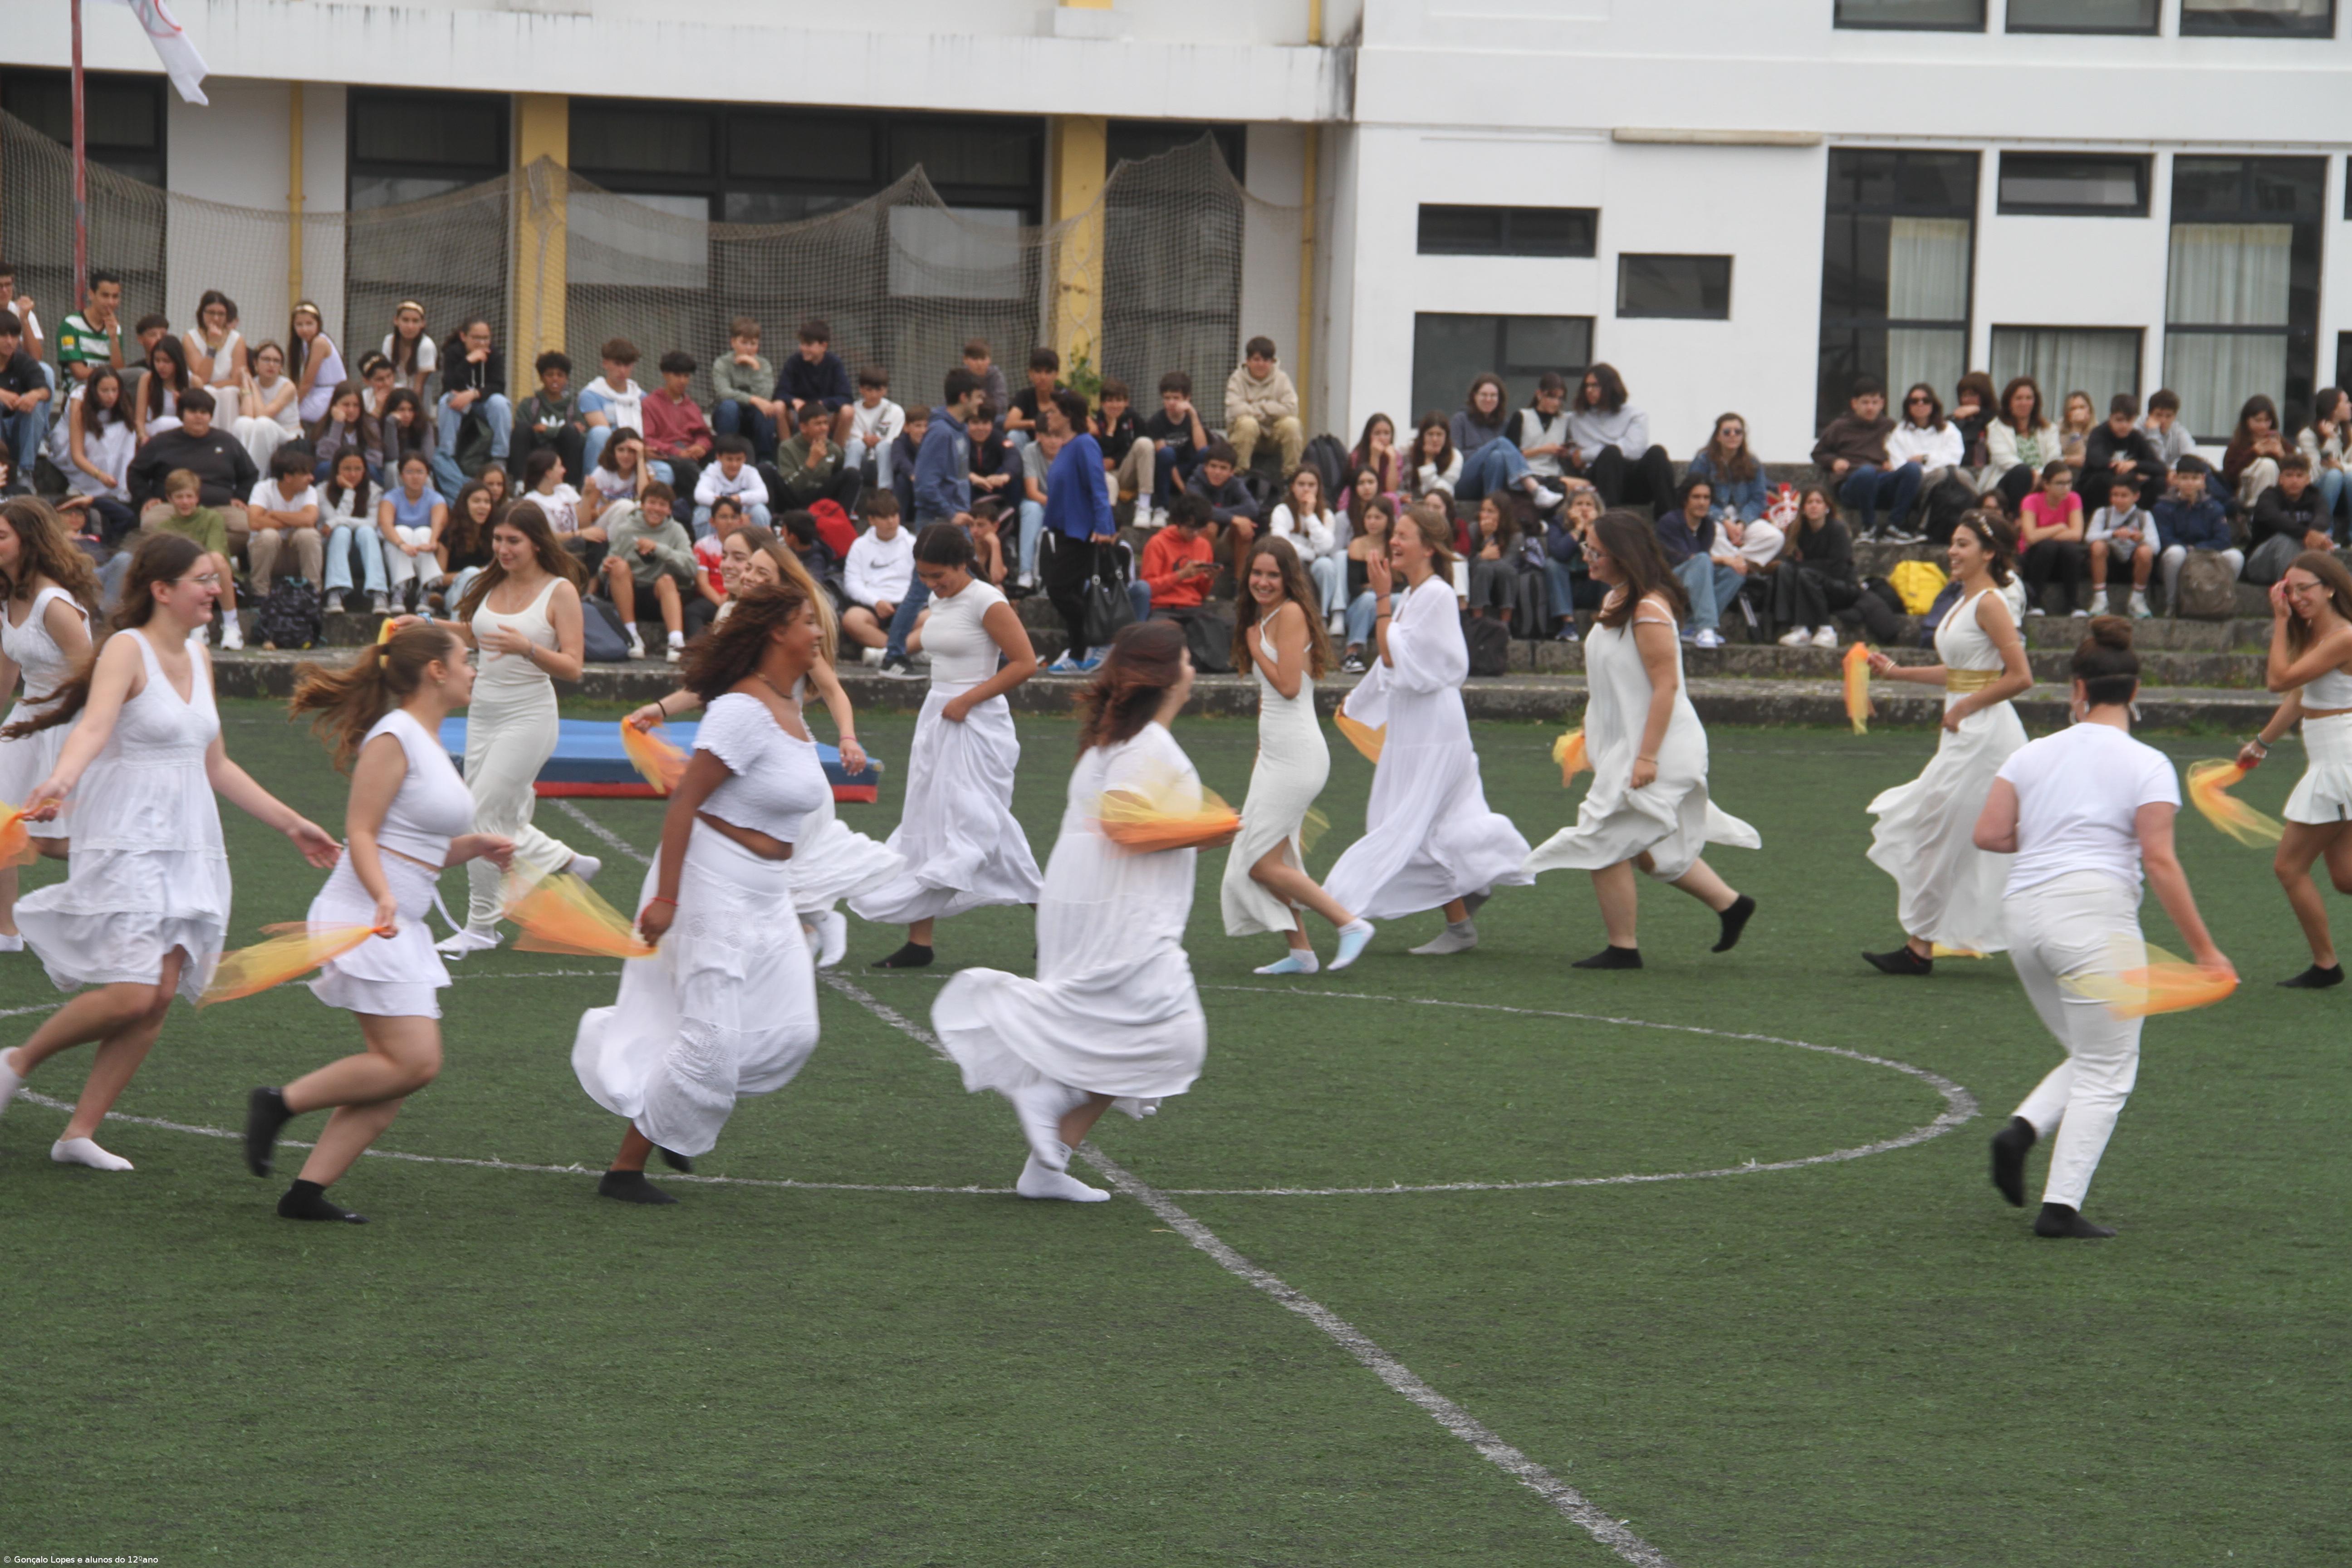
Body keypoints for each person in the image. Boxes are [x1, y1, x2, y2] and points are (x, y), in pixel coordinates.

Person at [0, 534, 340, 1171]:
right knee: (132, 991)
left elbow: (215, 764)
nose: (216, 589)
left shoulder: (200, 655)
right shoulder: (126, 649)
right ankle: (15, 1063)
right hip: (127, 829)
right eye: (204, 579)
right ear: (162, 589)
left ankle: (79, 1133)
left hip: (191, 836)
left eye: (216, 578)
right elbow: (94, 728)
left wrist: (292, 823)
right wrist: (61, 780)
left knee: (158, 994)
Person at [931, 620, 1224, 1203]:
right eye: (1187, 659)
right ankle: (1054, 1091)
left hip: (1091, 898)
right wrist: (1212, 828)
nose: (1194, 669)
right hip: (1118, 907)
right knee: (1173, 1034)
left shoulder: (1118, 742)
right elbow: (1123, 822)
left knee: (1121, 1027)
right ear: (1166, 677)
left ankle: (1047, 1162)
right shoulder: (1145, 747)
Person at [244, 622, 515, 1222]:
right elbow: (361, 831)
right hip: (366, 915)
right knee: (415, 1061)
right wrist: (384, 897)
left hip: (394, 916)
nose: (474, 671)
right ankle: (278, 1103)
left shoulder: (426, 740)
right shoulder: (395, 736)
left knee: (393, 1078)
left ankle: (305, 1195)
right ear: (436, 671)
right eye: (466, 660)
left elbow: (412, 847)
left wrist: (470, 848)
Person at [574, 584, 832, 1205]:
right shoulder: (741, 711)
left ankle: (677, 1104)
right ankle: (625, 1170)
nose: (819, 632)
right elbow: (686, 799)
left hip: (768, 889)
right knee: (711, 1038)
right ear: (777, 633)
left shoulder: (788, 703)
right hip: (712, 881)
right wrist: (667, 898)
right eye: (807, 622)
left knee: (793, 1032)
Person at [1975, 618, 2232, 1239]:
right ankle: (2059, 1207)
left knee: (2090, 1055)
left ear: (2078, 689)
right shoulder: (2148, 763)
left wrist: (2048, 835)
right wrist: (2206, 952)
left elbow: (1989, 834)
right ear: (2135, 691)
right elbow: (2160, 860)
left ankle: (2021, 1132)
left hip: (2022, 919)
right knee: (2110, 1068)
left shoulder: (2031, 753)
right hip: (2092, 918)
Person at [627, 528, 887, 970]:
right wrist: (659, 709)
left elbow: (834, 691)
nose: (742, 572)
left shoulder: (793, 631)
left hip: (783, 761)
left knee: (774, 862)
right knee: (756, 863)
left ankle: (811, 925)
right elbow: (708, 683)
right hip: (751, 754)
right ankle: (800, 933)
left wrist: (847, 736)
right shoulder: (733, 615)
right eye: (739, 563)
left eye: (754, 567)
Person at [1524, 511, 1759, 966]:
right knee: (1644, 845)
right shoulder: (1619, 599)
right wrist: (1595, 742)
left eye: (1595, 550)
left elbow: (1665, 686)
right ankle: (1731, 905)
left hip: (1661, 747)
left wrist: (1646, 756)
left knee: (1603, 835)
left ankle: (1623, 948)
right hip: (1630, 744)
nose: (1586, 557)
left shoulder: (1648, 609)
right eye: (1587, 548)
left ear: (1621, 555)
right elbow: (1615, 686)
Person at [1323, 501, 1531, 955]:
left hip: (1434, 730)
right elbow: (1392, 660)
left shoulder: (1434, 594)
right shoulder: (1417, 595)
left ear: (1429, 547)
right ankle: (1469, 892)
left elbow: (1397, 655)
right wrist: (1357, 702)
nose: (1393, 542)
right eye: (1393, 534)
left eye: (1403, 535)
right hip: (1417, 727)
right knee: (1428, 822)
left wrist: (1380, 597)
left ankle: (1459, 915)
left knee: (1407, 824)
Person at [849, 524, 1043, 967]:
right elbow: (929, 645)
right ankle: (920, 942)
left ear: (962, 564)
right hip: (939, 718)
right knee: (928, 819)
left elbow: (1026, 664)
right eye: (924, 576)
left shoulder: (987, 600)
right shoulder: (941, 600)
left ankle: (1048, 913)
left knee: (978, 824)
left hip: (976, 721)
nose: (932, 585)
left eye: (940, 575)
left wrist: (968, 700)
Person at [1860, 514, 2032, 975]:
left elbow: (2020, 677)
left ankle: (1923, 947)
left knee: (1946, 832)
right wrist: (1898, 673)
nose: (1953, 552)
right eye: (1953, 543)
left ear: (1989, 552)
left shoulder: (1990, 604)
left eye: (1963, 544)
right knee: (1942, 833)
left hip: (1983, 737)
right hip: (1966, 733)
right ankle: (1921, 947)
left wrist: (1964, 707)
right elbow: (1961, 672)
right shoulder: (1963, 600)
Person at [432, 501, 599, 953]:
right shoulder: (493, 580)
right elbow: (475, 634)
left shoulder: (560, 591)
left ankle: (482, 927)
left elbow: (573, 666)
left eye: (513, 541)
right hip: (483, 713)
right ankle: (568, 862)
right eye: (498, 540)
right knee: (497, 816)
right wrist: (427, 627)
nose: (503, 549)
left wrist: (528, 648)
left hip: (530, 716)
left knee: (478, 814)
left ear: (536, 542)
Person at [1223, 537, 1374, 975]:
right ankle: (1301, 953)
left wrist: (1253, 646)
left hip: (1299, 757)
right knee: (1278, 857)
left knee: (1260, 863)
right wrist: (1259, 756)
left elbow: (1289, 687)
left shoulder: (1288, 615)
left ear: (1289, 579)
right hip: (1275, 755)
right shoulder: (1263, 616)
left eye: (1273, 574)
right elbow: (1269, 699)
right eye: (1257, 573)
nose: (1264, 582)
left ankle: (1349, 924)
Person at [2237, 554, 2352, 988]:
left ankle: (2326, 966)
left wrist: (2280, 621)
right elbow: (2302, 695)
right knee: (2345, 878)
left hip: (2341, 761)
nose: (2296, 597)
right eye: (2290, 589)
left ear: (2330, 589)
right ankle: (2326, 966)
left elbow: (2278, 681)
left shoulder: (2343, 637)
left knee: (2289, 867)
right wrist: (2262, 744)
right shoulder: (2323, 637)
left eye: (2305, 588)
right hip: (2334, 758)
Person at [0, 500, 98, 946]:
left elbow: (95, 680)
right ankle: (7, 931)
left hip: (69, 722)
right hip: (28, 720)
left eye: (2, 536)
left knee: (52, 841)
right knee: (3, 825)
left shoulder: (54, 604)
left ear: (28, 542)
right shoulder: (7, 597)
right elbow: (7, 674)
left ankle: (127, 864)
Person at [877, 369, 983, 677]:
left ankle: (976, 651)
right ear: (964, 397)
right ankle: (893, 657)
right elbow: (925, 485)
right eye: (978, 396)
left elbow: (949, 478)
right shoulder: (942, 432)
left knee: (969, 586)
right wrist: (951, 513)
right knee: (921, 589)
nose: (981, 402)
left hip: (950, 521)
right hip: (940, 523)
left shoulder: (955, 431)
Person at [1038, 387, 1137, 674]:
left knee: (1059, 589)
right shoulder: (1070, 446)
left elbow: (1099, 487)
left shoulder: (1084, 444)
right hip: (1066, 530)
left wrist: (1105, 527)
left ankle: (1098, 644)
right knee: (1065, 589)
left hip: (1082, 533)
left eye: (1054, 411)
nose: (1049, 416)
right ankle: (1080, 652)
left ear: (1068, 415)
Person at [1813, 375, 1918, 542]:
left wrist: (1895, 462)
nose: (1870, 408)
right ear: (1855, 404)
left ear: (1882, 404)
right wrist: (1834, 461)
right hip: (1853, 484)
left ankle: (1895, 525)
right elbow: (1818, 453)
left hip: (1882, 481)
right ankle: (1869, 527)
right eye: (1865, 402)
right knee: (1867, 472)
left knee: (1913, 469)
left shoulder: (1890, 426)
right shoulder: (1840, 427)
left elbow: (1904, 452)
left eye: (1875, 403)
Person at [148, 469, 243, 649]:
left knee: (215, 560)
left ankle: (232, 625)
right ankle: (194, 624)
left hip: (216, 579)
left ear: (197, 497)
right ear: (170, 498)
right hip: (183, 582)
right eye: (179, 497)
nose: (185, 502)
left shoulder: (212, 518)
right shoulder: (165, 527)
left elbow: (216, 551)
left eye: (189, 496)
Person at [600, 481, 694, 663]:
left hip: (659, 597)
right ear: (642, 505)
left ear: (669, 510)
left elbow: (691, 567)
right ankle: (631, 636)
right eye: (652, 503)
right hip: (628, 594)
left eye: (663, 505)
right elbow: (606, 570)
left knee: (667, 580)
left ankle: (676, 641)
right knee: (619, 567)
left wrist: (660, 549)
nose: (656, 509)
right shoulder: (626, 529)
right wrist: (607, 566)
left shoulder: (676, 531)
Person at [1564, 363, 1676, 513]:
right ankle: (1610, 520)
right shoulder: (1575, 419)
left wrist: (1586, 454)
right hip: (1600, 481)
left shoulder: (1635, 415)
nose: (1589, 391)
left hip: (1632, 481)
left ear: (1610, 387)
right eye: (1587, 386)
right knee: (1610, 454)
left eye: (1596, 386)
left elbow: (1634, 450)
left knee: (1657, 452)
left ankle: (1670, 520)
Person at [1450, 374, 1565, 510]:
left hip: (1491, 480)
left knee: (1497, 457)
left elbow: (1506, 459)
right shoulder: (1460, 420)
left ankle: (1492, 509)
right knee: (1500, 443)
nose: (1488, 399)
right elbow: (1454, 456)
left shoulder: (1504, 424)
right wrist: (1485, 452)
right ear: (1474, 396)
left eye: (1493, 396)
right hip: (1465, 481)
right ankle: (1535, 489)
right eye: (1484, 395)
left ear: (1499, 399)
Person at [1657, 476, 1740, 649]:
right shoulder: (1670, 522)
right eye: (1696, 497)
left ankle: (1692, 627)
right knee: (1703, 560)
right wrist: (1724, 559)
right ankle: (1706, 628)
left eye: (1706, 498)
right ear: (1685, 499)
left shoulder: (1708, 526)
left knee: (1735, 574)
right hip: (1668, 583)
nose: (1702, 503)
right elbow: (1687, 558)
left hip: (1694, 581)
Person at [432, 318, 512, 495]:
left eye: (486, 338)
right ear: (463, 336)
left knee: (501, 403)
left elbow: (498, 386)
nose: (482, 343)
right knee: (447, 401)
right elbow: (449, 384)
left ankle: (499, 457)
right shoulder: (453, 353)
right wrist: (468, 362)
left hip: (483, 404)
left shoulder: (495, 354)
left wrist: (474, 394)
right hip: (462, 406)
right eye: (476, 338)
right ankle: (447, 454)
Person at [1268, 464, 1348, 628]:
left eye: (1311, 485)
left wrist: (1310, 515)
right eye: (1301, 484)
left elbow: (1326, 547)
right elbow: (1281, 544)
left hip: (1316, 567)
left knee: (1326, 565)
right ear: (1293, 487)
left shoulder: (1326, 515)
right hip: (1290, 564)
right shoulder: (1282, 511)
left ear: (1319, 488)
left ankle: (1322, 616)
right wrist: (1311, 554)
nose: (1306, 490)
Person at [64, 364, 137, 545]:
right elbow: (77, 454)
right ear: (94, 390)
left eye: (115, 390)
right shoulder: (80, 404)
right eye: (105, 391)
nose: (111, 396)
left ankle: (122, 482)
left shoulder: (123, 403)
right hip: (87, 461)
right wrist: (100, 475)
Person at [2154, 457, 2240, 608]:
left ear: (2203, 480)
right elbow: (2164, 539)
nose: (2189, 483)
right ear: (2176, 479)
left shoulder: (2214, 507)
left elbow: (2223, 540)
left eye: (2194, 478)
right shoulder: (2163, 507)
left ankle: (2221, 601)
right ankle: (2171, 604)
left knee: (2235, 557)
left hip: (2205, 558)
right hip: (2177, 562)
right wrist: (2187, 551)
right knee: (2175, 553)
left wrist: (2197, 550)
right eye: (2185, 478)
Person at [841, 490, 911, 658]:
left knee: (933, 618)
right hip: (873, 605)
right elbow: (852, 583)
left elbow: (922, 581)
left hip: (908, 605)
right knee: (852, 620)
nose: (892, 521)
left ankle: (888, 653)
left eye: (895, 515)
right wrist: (876, 601)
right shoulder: (859, 546)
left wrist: (909, 603)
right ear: (871, 520)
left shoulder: (913, 543)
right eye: (885, 517)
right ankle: (900, 652)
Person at [247, 445, 327, 593]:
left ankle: (312, 592)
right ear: (288, 477)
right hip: (269, 556)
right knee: (269, 535)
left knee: (309, 534)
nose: (312, 478)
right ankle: (260, 592)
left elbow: (309, 520)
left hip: (296, 555)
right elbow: (255, 522)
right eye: (306, 474)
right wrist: (295, 521)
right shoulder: (263, 488)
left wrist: (274, 514)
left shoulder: (310, 492)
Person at [374, 452, 447, 614]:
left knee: (424, 532)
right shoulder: (391, 497)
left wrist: (432, 542)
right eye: (410, 472)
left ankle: (427, 588)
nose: (415, 477)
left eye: (420, 472)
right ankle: (400, 588)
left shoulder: (435, 498)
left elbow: (439, 522)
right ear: (401, 475)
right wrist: (403, 544)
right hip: (398, 547)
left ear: (427, 474)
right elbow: (386, 525)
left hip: (423, 548)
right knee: (402, 530)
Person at [2016, 460, 2089, 617]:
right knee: (2047, 547)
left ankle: (2072, 604)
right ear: (2046, 485)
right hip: (2035, 559)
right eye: (2060, 483)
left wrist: (2044, 533)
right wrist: (2059, 527)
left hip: (2061, 559)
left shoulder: (2074, 498)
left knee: (2069, 549)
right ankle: (2034, 602)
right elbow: (2030, 537)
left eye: (2069, 483)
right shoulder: (2031, 501)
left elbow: (2076, 534)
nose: (2066, 488)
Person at [2245, 456, 2331, 586]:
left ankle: (2325, 592)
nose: (2294, 481)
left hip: (2300, 556)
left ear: (2308, 480)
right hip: (2260, 563)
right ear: (2281, 479)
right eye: (2289, 475)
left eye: (2299, 476)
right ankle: (2290, 592)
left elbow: (2324, 517)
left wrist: (2315, 536)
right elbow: (2275, 519)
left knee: (2322, 542)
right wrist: (2307, 534)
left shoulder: (2315, 496)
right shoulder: (2269, 496)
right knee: (2284, 540)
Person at [1225, 336, 1304, 473]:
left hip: (1274, 436)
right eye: (1256, 360)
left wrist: (1262, 407)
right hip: (1244, 434)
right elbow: (1234, 410)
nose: (1261, 364)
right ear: (1248, 361)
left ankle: (1291, 476)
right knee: (1248, 424)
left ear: (1273, 362)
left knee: (1292, 424)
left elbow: (1292, 409)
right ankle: (1239, 474)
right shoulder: (1236, 379)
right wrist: (1268, 410)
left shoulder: (1282, 379)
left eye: (1266, 360)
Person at [1186, 441, 1261, 586]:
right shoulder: (1194, 483)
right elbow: (1202, 510)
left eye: (1223, 468)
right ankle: (1202, 581)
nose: (1217, 472)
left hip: (1225, 544)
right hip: (1194, 545)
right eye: (1213, 466)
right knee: (1210, 525)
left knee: (1245, 527)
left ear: (1232, 472)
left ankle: (1239, 584)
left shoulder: (1235, 483)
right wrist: (1233, 518)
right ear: (1206, 467)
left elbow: (1253, 508)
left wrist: (1236, 521)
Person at [640, 350, 711, 499]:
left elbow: (703, 434)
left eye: (686, 376)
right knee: (686, 466)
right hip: (667, 455)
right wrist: (676, 452)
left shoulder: (692, 406)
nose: (683, 381)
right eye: (678, 376)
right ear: (666, 375)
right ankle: (709, 499)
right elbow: (649, 439)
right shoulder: (650, 404)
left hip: (691, 452)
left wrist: (701, 446)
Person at [710, 316, 782, 462]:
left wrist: (755, 369)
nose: (749, 348)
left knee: (767, 410)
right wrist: (754, 399)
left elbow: (766, 397)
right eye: (744, 343)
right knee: (730, 406)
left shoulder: (764, 365)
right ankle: (724, 456)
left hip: (754, 417)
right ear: (733, 342)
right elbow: (724, 393)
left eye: (753, 344)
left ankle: (766, 462)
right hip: (728, 416)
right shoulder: (722, 364)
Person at [1986, 376, 2062, 514]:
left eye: (2029, 398)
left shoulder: (2049, 428)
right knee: (2022, 472)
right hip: (2008, 481)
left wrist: (2040, 475)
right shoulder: (1996, 427)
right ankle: (2017, 518)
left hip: (2043, 480)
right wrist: (2033, 474)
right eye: (2019, 398)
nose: (2024, 403)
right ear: (2009, 402)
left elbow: (2054, 457)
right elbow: (2004, 459)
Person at [1338, 493, 1396, 672]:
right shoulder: (1357, 545)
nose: (1372, 522)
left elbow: (1400, 584)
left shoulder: (1394, 546)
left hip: (1389, 598)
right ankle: (1352, 653)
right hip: (1361, 604)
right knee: (1370, 599)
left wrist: (1379, 589)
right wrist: (1377, 588)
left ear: (1388, 520)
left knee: (1405, 598)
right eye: (1369, 517)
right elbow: (1354, 588)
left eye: (1378, 517)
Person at [1141, 371, 1210, 519]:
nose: (1171, 403)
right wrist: (1184, 490)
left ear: (1187, 398)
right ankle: (1161, 507)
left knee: (1207, 453)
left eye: (1176, 398)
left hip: (1187, 468)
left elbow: (1202, 448)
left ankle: (1205, 499)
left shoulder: (1194, 417)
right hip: (1166, 473)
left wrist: (1192, 414)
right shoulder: (1156, 421)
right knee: (1167, 454)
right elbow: (1167, 460)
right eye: (1167, 398)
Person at [512, 350, 586, 489]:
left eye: (560, 375)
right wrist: (562, 431)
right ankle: (520, 484)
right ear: (541, 378)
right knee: (522, 428)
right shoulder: (528, 405)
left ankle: (570, 487)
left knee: (570, 433)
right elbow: (522, 434)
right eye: (550, 375)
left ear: (567, 379)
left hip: (563, 459)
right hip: (535, 453)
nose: (555, 379)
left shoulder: (573, 408)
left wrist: (548, 430)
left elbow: (581, 439)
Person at [2078, 393, 2164, 513]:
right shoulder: (2099, 433)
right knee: (2104, 479)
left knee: (2158, 482)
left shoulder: (2136, 437)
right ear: (2110, 417)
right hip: (2097, 491)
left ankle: (2140, 519)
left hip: (2128, 488)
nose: (2124, 426)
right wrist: (2124, 468)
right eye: (2119, 420)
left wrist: (2135, 464)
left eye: (2129, 421)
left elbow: (2159, 467)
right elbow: (2096, 460)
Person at [2086, 476, 2158, 619]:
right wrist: (2113, 534)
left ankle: (2137, 599)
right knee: (2098, 546)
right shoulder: (2103, 513)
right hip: (2109, 560)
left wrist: (2141, 538)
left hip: (2134, 562)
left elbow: (2155, 547)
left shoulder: (2144, 516)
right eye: (2115, 495)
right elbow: (2089, 538)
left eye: (2124, 496)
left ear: (2136, 496)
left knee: (2146, 551)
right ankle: (2100, 599)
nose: (2119, 500)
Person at [578, 338, 647, 475]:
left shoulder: (642, 397)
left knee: (666, 471)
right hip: (610, 451)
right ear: (605, 364)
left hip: (638, 450)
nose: (622, 370)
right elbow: (607, 436)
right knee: (600, 433)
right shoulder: (591, 394)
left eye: (627, 365)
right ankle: (594, 487)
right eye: (617, 364)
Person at [232, 339, 302, 473]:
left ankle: (256, 477)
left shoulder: (288, 386)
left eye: (277, 361)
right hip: (262, 431)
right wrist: (247, 384)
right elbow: (247, 416)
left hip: (288, 435)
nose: (271, 365)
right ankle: (239, 475)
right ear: (255, 363)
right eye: (266, 359)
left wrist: (253, 385)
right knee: (242, 423)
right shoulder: (252, 382)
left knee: (263, 423)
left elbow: (263, 416)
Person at [1685, 411, 1767, 524]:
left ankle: (1738, 541)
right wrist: (1724, 521)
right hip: (1713, 518)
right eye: (1727, 432)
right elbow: (1695, 496)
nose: (1733, 435)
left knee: (1774, 537)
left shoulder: (1753, 463)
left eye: (1738, 432)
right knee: (1715, 536)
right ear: (1718, 436)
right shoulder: (1703, 460)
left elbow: (1759, 499)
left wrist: (1742, 523)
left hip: (1744, 518)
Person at [775, 318, 853, 437]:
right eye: (802, 344)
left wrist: (823, 404)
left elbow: (846, 397)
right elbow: (780, 393)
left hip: (825, 416)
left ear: (824, 346)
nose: (803, 348)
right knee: (778, 407)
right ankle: (786, 451)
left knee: (848, 412)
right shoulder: (794, 362)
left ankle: (837, 454)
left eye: (809, 345)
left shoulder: (835, 364)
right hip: (799, 416)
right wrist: (794, 401)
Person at [1092, 378, 1152, 522]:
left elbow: (1139, 449)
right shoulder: (1095, 423)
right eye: (1110, 401)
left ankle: (1144, 506)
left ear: (1127, 402)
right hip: (1105, 474)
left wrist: (1116, 460)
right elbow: (1101, 454)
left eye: (1119, 401)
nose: (1115, 405)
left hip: (1126, 471)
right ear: (1102, 403)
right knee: (1109, 481)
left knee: (1145, 443)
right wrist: (1110, 430)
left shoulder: (1133, 419)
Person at [182, 291, 246, 425]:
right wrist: (212, 346)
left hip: (228, 390)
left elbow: (237, 380)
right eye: (211, 313)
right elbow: (202, 378)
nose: (216, 318)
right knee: (209, 392)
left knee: (230, 393)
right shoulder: (190, 338)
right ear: (202, 313)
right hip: (202, 389)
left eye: (221, 314)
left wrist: (214, 385)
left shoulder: (237, 339)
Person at [434, 475, 494, 613]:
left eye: (487, 502)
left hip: (485, 594)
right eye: (477, 501)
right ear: (465, 504)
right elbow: (439, 579)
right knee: (470, 573)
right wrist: (474, 575)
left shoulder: (494, 534)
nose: (483, 507)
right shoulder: (450, 534)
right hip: (454, 594)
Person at [0, 314, 51, 479]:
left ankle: (26, 473)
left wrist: (34, 395)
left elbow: (45, 391)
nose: (10, 341)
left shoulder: (23, 361)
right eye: (3, 336)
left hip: (17, 434)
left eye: (14, 336)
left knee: (36, 405)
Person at [2223, 395, 2292, 512]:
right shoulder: (2238, 444)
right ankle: (2258, 512)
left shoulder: (2279, 441)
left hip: (2278, 494)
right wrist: (2253, 453)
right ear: (2247, 421)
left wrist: (2282, 455)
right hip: (2246, 494)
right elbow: (2230, 477)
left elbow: (2298, 468)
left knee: (2270, 465)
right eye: (2258, 421)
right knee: (2267, 465)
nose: (2263, 426)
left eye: (2267, 421)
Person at [307, 382, 383, 488]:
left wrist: (352, 467)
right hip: (334, 474)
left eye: (356, 405)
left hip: (363, 474)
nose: (351, 410)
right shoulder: (325, 425)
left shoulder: (370, 424)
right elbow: (325, 457)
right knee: (324, 468)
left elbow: (377, 459)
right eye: (346, 405)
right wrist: (337, 425)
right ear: (335, 406)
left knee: (372, 470)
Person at [2295, 386, 2349, 532]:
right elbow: (2314, 473)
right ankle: (2324, 531)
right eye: (2346, 402)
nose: (2350, 405)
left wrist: (2341, 467)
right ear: (2333, 408)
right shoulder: (2307, 435)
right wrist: (2330, 441)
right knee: (2334, 476)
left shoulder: (2348, 434)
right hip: (2318, 490)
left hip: (2346, 492)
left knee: (2349, 476)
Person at [288, 301, 348, 426]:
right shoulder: (305, 344)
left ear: (318, 324)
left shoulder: (319, 342)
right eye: (299, 325)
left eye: (309, 324)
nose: (304, 329)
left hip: (332, 394)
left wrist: (291, 407)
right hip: (318, 392)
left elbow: (307, 383)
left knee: (292, 414)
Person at [131, 333, 189, 445]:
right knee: (162, 423)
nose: (161, 366)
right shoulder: (147, 379)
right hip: (155, 434)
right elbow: (140, 421)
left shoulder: (193, 381)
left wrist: (182, 405)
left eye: (167, 361)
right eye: (157, 361)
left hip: (182, 436)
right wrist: (143, 438)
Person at [1004, 347, 1063, 446]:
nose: (1043, 377)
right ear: (1030, 374)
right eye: (1038, 372)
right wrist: (1033, 424)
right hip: (1030, 448)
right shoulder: (1024, 396)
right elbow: (1009, 424)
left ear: (1056, 374)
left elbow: (1090, 427)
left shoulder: (1066, 397)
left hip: (1060, 445)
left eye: (1048, 372)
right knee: (1014, 436)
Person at [1408, 415, 1462, 503]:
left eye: (1439, 434)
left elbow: (1443, 490)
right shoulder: (1410, 452)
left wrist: (1429, 459)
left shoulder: (1455, 456)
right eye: (1430, 434)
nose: (1435, 439)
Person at [1351, 412, 1404, 495]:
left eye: (1387, 433)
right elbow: (1371, 490)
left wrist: (1392, 459)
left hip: (1385, 499)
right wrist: (1375, 456)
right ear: (1369, 436)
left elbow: (1391, 490)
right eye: (1377, 433)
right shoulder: (1357, 455)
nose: (1382, 438)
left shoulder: (1396, 455)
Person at [2055, 390, 2097, 468]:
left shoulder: (2097, 432)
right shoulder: (2059, 430)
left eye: (2082, 408)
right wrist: (2076, 429)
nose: (2078, 412)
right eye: (2073, 409)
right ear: (2067, 413)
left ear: (2090, 411)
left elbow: (2083, 461)